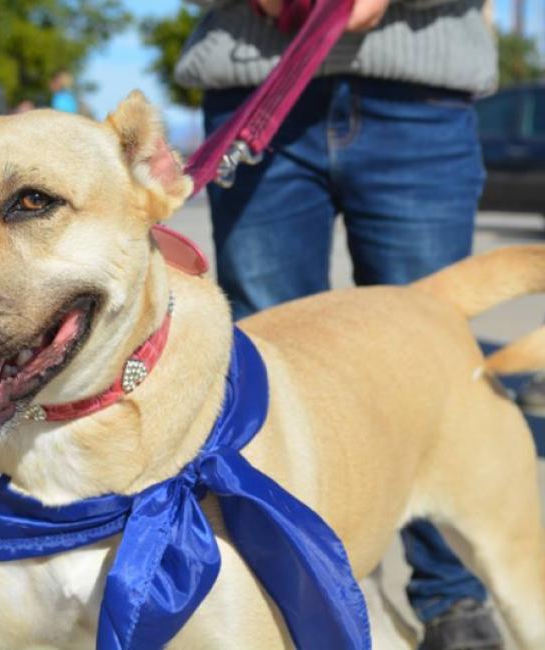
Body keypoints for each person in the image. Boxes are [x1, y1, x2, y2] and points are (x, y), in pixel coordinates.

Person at [176, 1, 500, 649]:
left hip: (420, 96)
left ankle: (450, 594)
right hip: (258, 90)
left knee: (431, 358)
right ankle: (301, 581)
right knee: (267, 379)